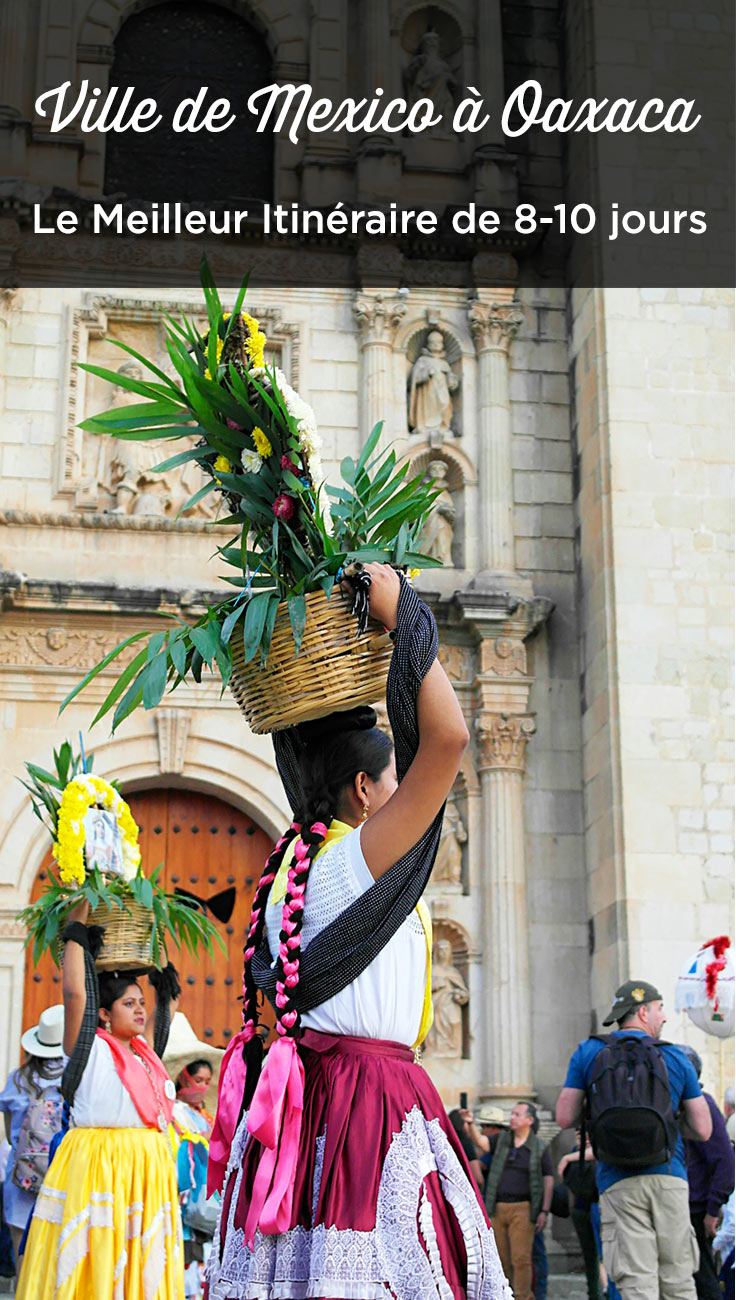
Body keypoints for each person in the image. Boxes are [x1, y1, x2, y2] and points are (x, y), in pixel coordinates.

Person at [206, 565, 512, 1299]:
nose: (406, 791)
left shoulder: (299, 865)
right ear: (366, 789)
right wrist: (405, 614)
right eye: (393, 778)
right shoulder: (352, 861)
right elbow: (448, 740)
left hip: (317, 1103)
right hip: (368, 1102)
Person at [16, 900, 185, 1300]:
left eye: (141, 1002)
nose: (141, 1009)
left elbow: (169, 1004)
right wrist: (77, 926)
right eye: (130, 1003)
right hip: (102, 1168)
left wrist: (156, 936)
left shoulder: (147, 1055)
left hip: (146, 1173)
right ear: (105, 1014)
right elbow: (76, 992)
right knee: (98, 1265)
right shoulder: (89, 1051)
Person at [556, 979, 713, 1300]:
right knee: (679, 1280)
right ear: (643, 1011)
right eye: (659, 1009)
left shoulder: (589, 1051)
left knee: (636, 1284)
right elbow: (704, 1128)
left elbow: (564, 1117)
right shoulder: (675, 1056)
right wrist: (669, 1128)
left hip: (617, 1180)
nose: (664, 1017)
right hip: (669, 1175)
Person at [0, 1005, 65, 1272]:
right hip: (61, 1183)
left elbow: (11, 1136)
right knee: (57, 1267)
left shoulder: (17, 1079)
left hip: (21, 1183)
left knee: (23, 1264)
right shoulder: (76, 1078)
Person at [164, 1013, 224, 1300]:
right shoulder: (174, 1112)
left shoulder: (205, 1116)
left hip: (204, 1194)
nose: (202, 1087)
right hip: (182, 1194)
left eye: (207, 1081)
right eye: (197, 1080)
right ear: (182, 1077)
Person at [483, 1101, 554, 1300]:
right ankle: (505, 1296)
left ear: (529, 1120)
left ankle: (524, 1297)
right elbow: (482, 1145)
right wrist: (469, 1126)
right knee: (502, 1259)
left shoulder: (539, 1146)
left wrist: (544, 1210)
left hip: (523, 1208)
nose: (512, 1117)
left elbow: (548, 1178)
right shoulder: (502, 1142)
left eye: (517, 1114)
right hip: (498, 1207)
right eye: (512, 1113)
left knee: (521, 1258)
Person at [680, 1045, 734, 1300]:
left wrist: (712, 1210)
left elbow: (725, 1162)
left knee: (703, 1278)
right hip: (683, 1206)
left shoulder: (704, 1106)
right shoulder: (677, 1106)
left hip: (697, 1209)